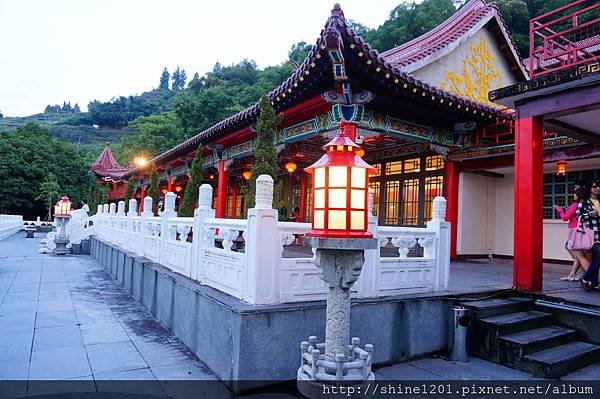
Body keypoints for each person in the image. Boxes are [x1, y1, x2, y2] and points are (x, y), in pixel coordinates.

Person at [555, 187, 590, 281]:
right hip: (584, 230)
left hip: (575, 231)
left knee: (579, 255)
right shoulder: (586, 204)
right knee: (579, 255)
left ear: (578, 195)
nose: (573, 195)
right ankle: (572, 275)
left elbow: (565, 217)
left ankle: (591, 277)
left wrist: (560, 210)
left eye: (575, 193)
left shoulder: (575, 205)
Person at [578, 179, 600, 291]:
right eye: (595, 186)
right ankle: (585, 278)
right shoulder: (584, 201)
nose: (597, 189)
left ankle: (595, 284)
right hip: (592, 235)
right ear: (590, 188)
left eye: (598, 187)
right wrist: (592, 213)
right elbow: (579, 216)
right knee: (599, 258)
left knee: (597, 258)